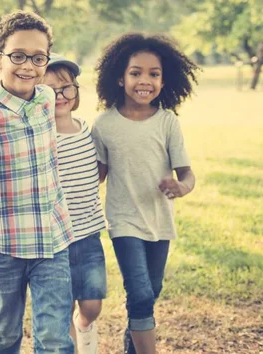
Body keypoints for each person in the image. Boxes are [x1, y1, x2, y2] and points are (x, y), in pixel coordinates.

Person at [0, 11, 75, 354]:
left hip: (53, 238)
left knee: (54, 336)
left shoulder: (46, 99)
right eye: (17, 56)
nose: (28, 66)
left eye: (38, 58)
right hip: (4, 243)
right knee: (4, 331)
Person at [91, 33, 199, 354]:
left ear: (165, 82)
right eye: (136, 72)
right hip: (123, 221)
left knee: (151, 291)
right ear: (120, 78)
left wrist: (181, 187)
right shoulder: (104, 125)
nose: (145, 80)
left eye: (154, 74)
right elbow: (97, 175)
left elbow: (187, 174)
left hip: (159, 221)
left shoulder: (167, 123)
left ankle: (132, 344)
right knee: (138, 293)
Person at [42, 55, 107, 354]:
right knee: (61, 306)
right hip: (55, 239)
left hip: (89, 235)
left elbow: (99, 171)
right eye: (50, 90)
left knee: (92, 304)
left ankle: (85, 325)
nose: (60, 96)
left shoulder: (87, 130)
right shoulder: (42, 137)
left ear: (76, 91)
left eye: (67, 88)